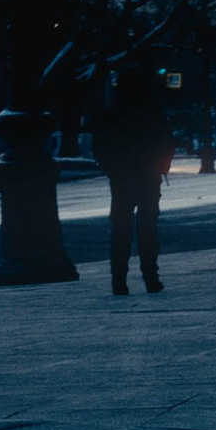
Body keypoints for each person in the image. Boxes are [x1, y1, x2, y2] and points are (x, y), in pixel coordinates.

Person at [91, 63, 174, 295]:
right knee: (147, 229)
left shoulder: (113, 113)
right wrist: (161, 166)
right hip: (148, 175)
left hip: (122, 178)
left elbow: (100, 145)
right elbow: (166, 141)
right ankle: (151, 277)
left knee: (121, 230)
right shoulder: (152, 111)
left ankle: (119, 280)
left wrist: (111, 169)